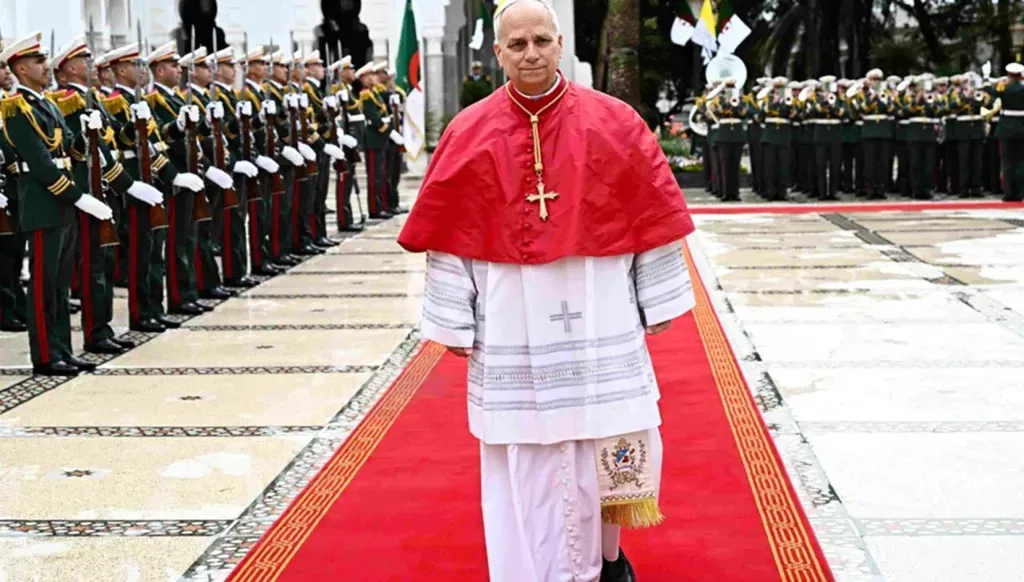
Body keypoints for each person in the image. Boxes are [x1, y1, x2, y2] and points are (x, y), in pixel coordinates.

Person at [397, 1, 697, 580]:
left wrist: (657, 298)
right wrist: (455, 320)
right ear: (499, 53)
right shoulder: (469, 130)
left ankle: (608, 559)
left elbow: (651, 214)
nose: (530, 53)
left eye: (540, 40)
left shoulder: (614, 121)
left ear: (560, 44)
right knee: (529, 457)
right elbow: (449, 237)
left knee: (612, 441)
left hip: (600, 308)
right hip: (512, 317)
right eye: (517, 44)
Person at [1, 32, 115, 375]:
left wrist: (86, 135)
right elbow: (40, 165)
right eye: (37, 62)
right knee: (43, 286)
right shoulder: (15, 108)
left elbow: (68, 150)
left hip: (61, 205)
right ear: (20, 68)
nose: (45, 66)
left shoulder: (48, 104)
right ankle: (47, 355)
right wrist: (80, 197)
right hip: (41, 204)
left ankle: (63, 347)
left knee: (61, 284)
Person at [0, 46, 29, 333]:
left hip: (14, 189)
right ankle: (6, 310)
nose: (6, 72)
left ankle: (17, 305)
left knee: (14, 252)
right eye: (1, 68)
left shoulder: (9, 103)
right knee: (3, 255)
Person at [992, 62, 1024, 202]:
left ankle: (1009, 192)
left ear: (1009, 75)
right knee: (1021, 161)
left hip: (1006, 127)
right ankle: (1020, 192)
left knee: (1007, 162)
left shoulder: (1003, 89)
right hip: (1022, 127)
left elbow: (990, 92)